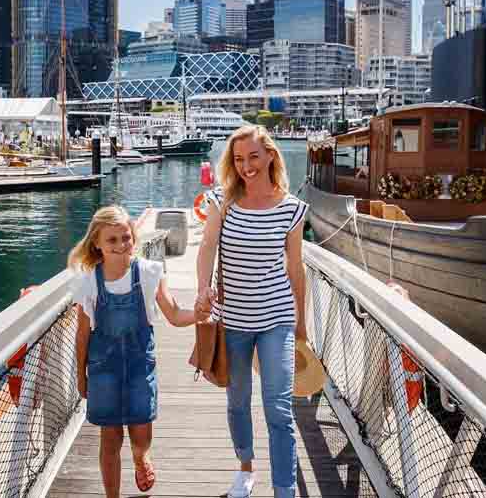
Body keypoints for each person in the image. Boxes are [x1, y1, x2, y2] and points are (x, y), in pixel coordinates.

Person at [195, 125, 309, 498]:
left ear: (271, 155)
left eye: (254, 157)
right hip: (233, 321)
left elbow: (296, 268)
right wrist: (202, 288)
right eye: (239, 159)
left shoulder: (292, 209)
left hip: (276, 319)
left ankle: (284, 490)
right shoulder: (220, 202)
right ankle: (245, 468)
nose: (247, 166)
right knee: (238, 401)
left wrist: (301, 324)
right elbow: (207, 247)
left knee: (278, 409)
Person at [72, 205, 208, 497]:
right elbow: (82, 335)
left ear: (134, 237)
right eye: (112, 240)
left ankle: (140, 457)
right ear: (96, 243)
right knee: (109, 438)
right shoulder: (87, 282)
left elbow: (173, 314)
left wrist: (197, 315)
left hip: (139, 368)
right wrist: (80, 377)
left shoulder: (148, 273)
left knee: (141, 432)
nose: (121, 245)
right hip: (103, 372)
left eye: (126, 238)